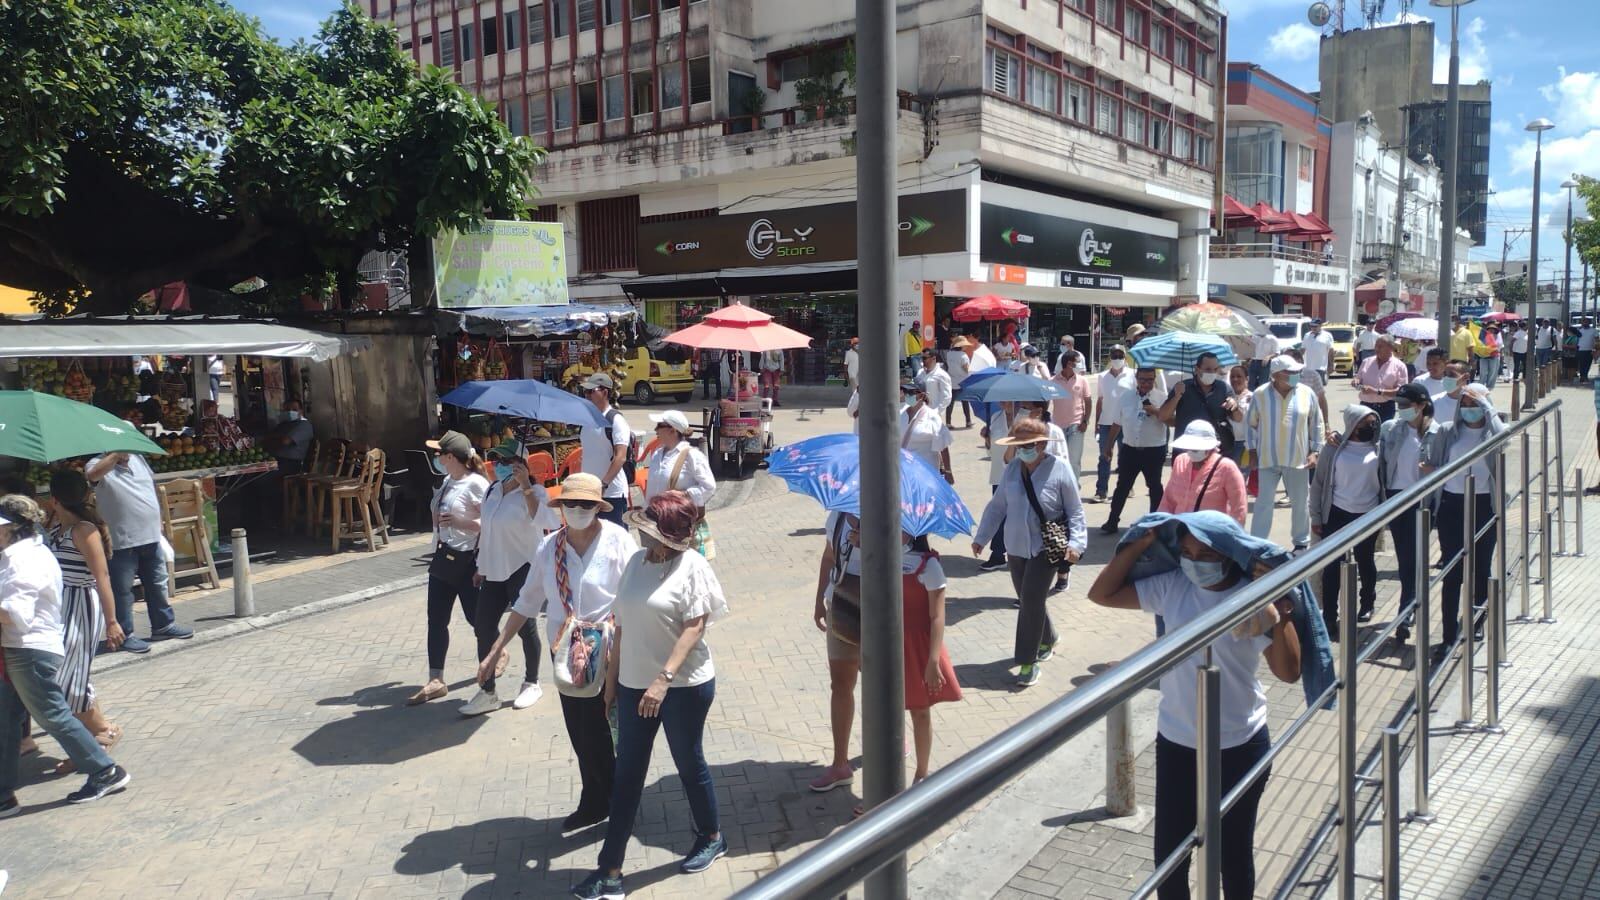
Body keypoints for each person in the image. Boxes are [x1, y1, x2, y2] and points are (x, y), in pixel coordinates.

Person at [1088, 520, 1301, 900]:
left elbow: (1288, 672)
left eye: (1206, 555)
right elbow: (1101, 594)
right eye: (1186, 553)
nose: (1194, 562)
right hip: (1178, 744)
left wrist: (1282, 612)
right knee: (1169, 861)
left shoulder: (1253, 597)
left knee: (1232, 858)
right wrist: (1139, 545)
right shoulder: (1174, 586)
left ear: (1229, 555)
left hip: (1241, 745)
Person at [571, 492, 730, 898]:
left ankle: (711, 836)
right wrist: (611, 683)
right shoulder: (636, 564)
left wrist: (663, 680)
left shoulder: (691, 566)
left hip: (684, 687)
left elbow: (696, 627)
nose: (639, 534)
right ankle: (610, 871)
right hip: (632, 686)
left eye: (647, 529)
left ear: (666, 536)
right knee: (627, 774)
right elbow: (620, 625)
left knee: (688, 762)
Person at [481, 473, 640, 831]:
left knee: (608, 729)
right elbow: (527, 601)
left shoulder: (618, 541)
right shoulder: (549, 547)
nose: (579, 510)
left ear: (598, 507)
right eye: (572, 504)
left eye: (586, 504)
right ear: (561, 507)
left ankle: (620, 800)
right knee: (580, 730)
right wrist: (496, 648)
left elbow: (635, 597)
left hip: (611, 651)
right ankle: (596, 799)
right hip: (567, 654)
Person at [0, 494, 133, 814]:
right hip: (20, 648)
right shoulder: (19, 554)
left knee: (53, 715)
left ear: (10, 529)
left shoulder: (23, 559)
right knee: (6, 721)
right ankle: (3, 794)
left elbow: (15, 613)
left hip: (29, 649)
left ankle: (105, 770)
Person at [972, 419, 1087, 687]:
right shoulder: (1012, 470)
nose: (1023, 450)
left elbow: (1076, 511)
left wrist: (1077, 544)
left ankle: (1027, 661)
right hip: (1015, 547)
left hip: (1047, 547)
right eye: (1019, 445)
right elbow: (997, 506)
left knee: (1030, 602)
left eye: (1028, 445)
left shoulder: (1060, 469)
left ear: (1043, 444)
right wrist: (982, 537)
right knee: (1029, 598)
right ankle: (1049, 637)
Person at [462, 439, 559, 717]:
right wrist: (480, 565)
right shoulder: (492, 490)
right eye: (498, 461)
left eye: (507, 462)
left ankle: (532, 681)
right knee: (483, 626)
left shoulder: (536, 492)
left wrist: (526, 486)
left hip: (523, 566)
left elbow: (548, 522)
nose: (501, 467)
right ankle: (488, 691)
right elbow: (488, 531)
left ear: (522, 464)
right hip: (494, 568)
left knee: (525, 627)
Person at [42, 472, 124, 771]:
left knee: (66, 679)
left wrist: (113, 621)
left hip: (81, 606)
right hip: (62, 607)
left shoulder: (83, 529)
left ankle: (102, 731)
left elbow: (101, 577)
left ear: (54, 499)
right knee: (74, 675)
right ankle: (96, 736)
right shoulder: (57, 526)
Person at [84, 442, 194, 654]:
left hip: (150, 536)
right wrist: (116, 454)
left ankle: (163, 625)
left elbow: (148, 488)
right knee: (122, 590)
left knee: (157, 583)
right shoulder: (98, 463)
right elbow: (93, 476)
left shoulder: (139, 459)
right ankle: (124, 635)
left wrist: (159, 520)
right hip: (121, 540)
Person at [409, 430, 490, 707]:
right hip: (444, 557)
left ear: (450, 457)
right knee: (436, 618)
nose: (436, 457)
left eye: (439, 453)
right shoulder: (446, 482)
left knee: (476, 620)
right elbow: (438, 517)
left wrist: (460, 522)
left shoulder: (477, 484)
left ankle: (494, 657)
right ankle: (436, 678)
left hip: (468, 561)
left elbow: (491, 525)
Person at [1426, 383, 1503, 661]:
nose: (1469, 409)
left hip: (1483, 504)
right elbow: (1433, 460)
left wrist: (1487, 407)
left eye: (1475, 405)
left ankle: (1478, 620)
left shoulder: (1493, 431)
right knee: (1452, 570)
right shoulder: (1449, 431)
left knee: (1481, 567)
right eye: (1466, 404)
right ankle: (1447, 635)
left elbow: (1504, 438)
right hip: (1451, 504)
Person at [1309, 405, 1383, 634]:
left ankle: (1368, 602)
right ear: (1352, 424)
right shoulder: (1333, 450)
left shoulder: (1380, 448)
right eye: (1365, 423)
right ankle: (1330, 614)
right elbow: (1318, 484)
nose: (1370, 427)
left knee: (1365, 561)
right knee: (1332, 567)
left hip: (1368, 514)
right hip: (1337, 513)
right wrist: (1316, 516)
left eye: (1373, 423)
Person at [1379, 384, 1442, 644]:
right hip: (1395, 500)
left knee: (1411, 560)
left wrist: (1434, 469)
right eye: (1399, 405)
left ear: (1421, 405)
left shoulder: (1439, 433)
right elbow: (1377, 457)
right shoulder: (1390, 429)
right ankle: (1411, 605)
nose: (1401, 410)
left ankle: (1405, 614)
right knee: (1405, 557)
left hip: (1421, 502)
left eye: (1406, 405)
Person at [1247, 355, 1324, 552]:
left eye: (1296, 371)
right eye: (1289, 372)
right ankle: (1258, 544)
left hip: (1297, 459)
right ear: (1275, 375)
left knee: (1300, 503)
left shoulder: (1307, 393)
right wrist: (1252, 451)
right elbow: (1251, 425)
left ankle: (1300, 543)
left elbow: (1317, 423)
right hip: (1267, 458)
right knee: (1263, 503)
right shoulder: (1260, 394)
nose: (1295, 375)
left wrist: (1315, 450)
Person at [1101, 366, 1170, 534]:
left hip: (1154, 450)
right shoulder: (1126, 397)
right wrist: (1108, 446)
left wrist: (1156, 411)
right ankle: (1112, 521)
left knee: (1154, 487)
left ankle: (1155, 523)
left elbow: (1173, 421)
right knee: (1122, 486)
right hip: (1130, 449)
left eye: (1149, 380)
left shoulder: (1162, 398)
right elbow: (1117, 423)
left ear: (1154, 379)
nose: (1146, 383)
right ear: (1136, 379)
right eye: (1142, 379)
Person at [1158, 422, 1247, 526]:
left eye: (1196, 448)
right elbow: (1168, 500)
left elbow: (1239, 508)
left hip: (1210, 534)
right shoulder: (1180, 461)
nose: (1191, 451)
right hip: (1179, 534)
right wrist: (1160, 525)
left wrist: (1231, 536)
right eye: (1188, 447)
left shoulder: (1227, 467)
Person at [1158, 352, 1235, 460]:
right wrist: (1176, 397)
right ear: (1197, 369)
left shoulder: (1224, 389)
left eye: (1215, 369)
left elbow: (1238, 418)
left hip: (1214, 452)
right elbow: (1163, 416)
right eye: (1208, 369)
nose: (1212, 372)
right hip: (1185, 452)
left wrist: (1234, 405)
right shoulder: (1183, 387)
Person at [579, 374, 633, 525]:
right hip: (589, 492)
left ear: (605, 392)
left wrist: (603, 484)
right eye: (586, 392)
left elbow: (620, 457)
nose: (587, 395)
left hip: (611, 493)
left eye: (591, 391)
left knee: (615, 540)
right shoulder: (587, 420)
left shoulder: (615, 420)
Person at [643, 411, 717, 509]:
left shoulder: (692, 456)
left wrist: (684, 495)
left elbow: (709, 487)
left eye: (659, 425)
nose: (655, 429)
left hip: (678, 519)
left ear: (672, 430)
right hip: (655, 517)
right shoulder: (657, 454)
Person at [979, 402, 1021, 572]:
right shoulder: (995, 418)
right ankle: (997, 554)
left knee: (1019, 516)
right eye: (1002, 399)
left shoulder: (1026, 418)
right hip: (999, 475)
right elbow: (991, 453)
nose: (1005, 403)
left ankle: (1020, 554)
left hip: (1020, 476)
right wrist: (987, 440)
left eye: (1009, 399)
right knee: (998, 514)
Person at [1089, 348, 1131, 503]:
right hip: (1106, 423)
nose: (1117, 358)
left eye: (1120, 356)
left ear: (1125, 357)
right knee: (1104, 457)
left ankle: (1125, 488)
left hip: (1126, 423)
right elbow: (1100, 400)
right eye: (1114, 356)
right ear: (1109, 358)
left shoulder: (1132, 375)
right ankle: (1101, 491)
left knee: (1125, 458)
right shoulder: (1102, 377)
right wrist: (1096, 424)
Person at [898, 382, 955, 484]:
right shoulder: (900, 414)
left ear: (921, 395)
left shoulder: (932, 416)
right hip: (905, 473)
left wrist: (948, 471)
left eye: (910, 392)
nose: (906, 395)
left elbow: (943, 446)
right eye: (905, 391)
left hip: (926, 474)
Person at [1049, 351, 1092, 480]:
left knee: (1074, 460)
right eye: (1077, 361)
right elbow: (1046, 402)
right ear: (1069, 363)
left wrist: (1085, 421)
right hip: (1058, 427)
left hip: (1076, 425)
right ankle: (1061, 488)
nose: (1079, 364)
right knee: (1059, 460)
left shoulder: (1082, 380)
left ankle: (1074, 488)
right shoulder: (1053, 381)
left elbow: (1088, 401)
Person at [1353, 335, 1410, 421]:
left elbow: (1401, 391)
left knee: (1383, 433)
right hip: (1365, 407)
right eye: (1376, 346)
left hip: (1385, 408)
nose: (1376, 349)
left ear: (1391, 348)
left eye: (1380, 346)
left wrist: (1377, 391)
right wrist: (1356, 382)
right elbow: (1358, 378)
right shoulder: (1366, 362)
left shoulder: (1399, 366)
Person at [262, 398, 315, 475]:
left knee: (261, 479)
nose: (290, 412)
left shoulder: (304, 425)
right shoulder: (283, 425)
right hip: (274, 460)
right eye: (287, 409)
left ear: (301, 411)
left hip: (291, 463)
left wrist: (274, 438)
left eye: (294, 409)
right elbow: (266, 439)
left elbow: (285, 441)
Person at [1224, 365, 1252, 468]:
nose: (1235, 379)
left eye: (1239, 376)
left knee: (1240, 481)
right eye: (1232, 376)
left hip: (1244, 445)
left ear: (1247, 379)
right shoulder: (1226, 397)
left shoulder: (1253, 398)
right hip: (1226, 444)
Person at [915, 349, 954, 421]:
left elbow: (947, 397)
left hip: (933, 415)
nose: (922, 361)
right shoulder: (920, 372)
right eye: (921, 358)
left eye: (925, 358)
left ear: (933, 358)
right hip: (919, 413)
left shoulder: (942, 375)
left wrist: (937, 411)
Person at [944, 336, 973, 428]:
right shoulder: (963, 355)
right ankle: (968, 421)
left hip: (952, 380)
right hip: (963, 380)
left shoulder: (949, 354)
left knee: (950, 403)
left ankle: (948, 422)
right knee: (965, 402)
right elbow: (966, 369)